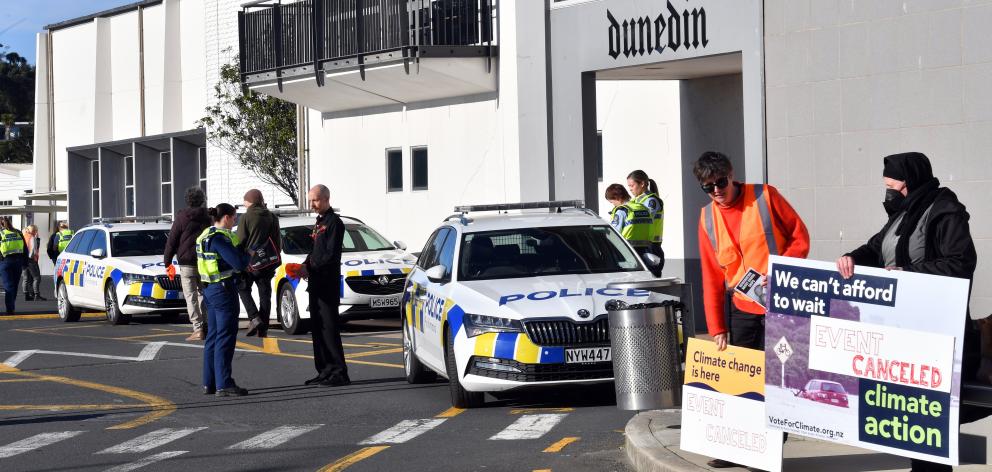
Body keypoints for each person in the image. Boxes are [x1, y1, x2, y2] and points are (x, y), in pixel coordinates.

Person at [836, 152, 982, 472]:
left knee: (930, 427)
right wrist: (851, 258)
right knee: (916, 426)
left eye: (894, 186)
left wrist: (909, 273)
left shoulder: (945, 211)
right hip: (908, 339)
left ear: (911, 182)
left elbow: (960, 262)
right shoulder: (902, 215)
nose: (890, 193)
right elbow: (877, 249)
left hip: (941, 340)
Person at [694, 151, 809, 468]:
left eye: (720, 182)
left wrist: (783, 273)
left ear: (731, 175)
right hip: (741, 308)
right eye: (708, 186)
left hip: (779, 304)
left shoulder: (764, 196)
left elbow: (800, 237)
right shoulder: (706, 218)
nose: (716, 190)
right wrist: (717, 327)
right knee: (739, 381)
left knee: (777, 379)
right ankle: (735, 448)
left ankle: (769, 449)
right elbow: (711, 276)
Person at [297, 184, 350, 387]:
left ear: (327, 199)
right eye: (311, 200)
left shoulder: (335, 223)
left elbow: (330, 255)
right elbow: (315, 252)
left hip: (327, 283)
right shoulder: (318, 222)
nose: (312, 204)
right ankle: (324, 370)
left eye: (315, 200)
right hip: (316, 283)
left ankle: (339, 371)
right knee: (317, 329)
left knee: (329, 329)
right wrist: (304, 266)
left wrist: (310, 268)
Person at [196, 203, 250, 397]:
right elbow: (238, 263)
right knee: (225, 338)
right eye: (234, 217)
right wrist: (248, 255)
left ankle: (209, 383)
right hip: (223, 290)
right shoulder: (219, 239)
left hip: (209, 289)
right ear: (226, 217)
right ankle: (224, 384)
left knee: (213, 336)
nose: (235, 221)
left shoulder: (205, 235)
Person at [164, 187, 211, 341]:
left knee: (190, 296)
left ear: (188, 200)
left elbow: (172, 241)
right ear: (202, 199)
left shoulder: (182, 217)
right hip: (204, 261)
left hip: (186, 262)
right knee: (203, 293)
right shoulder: (207, 217)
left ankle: (197, 328)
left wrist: (167, 261)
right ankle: (206, 324)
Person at [237, 189, 281, 338]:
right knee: (265, 294)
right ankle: (264, 329)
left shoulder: (246, 217)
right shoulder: (272, 217)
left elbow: (241, 240)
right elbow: (277, 241)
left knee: (243, 288)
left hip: (250, 263)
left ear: (249, 201)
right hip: (267, 262)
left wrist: (239, 259)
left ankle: (254, 318)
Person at [604, 183, 658, 275]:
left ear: (617, 198)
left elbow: (614, 233)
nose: (613, 205)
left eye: (612, 202)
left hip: (626, 252)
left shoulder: (622, 211)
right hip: (646, 251)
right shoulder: (642, 208)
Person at [627, 170, 665, 271]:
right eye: (629, 186)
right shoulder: (635, 201)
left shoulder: (651, 201)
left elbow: (643, 220)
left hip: (651, 247)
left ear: (642, 184)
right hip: (639, 247)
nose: (630, 189)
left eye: (632, 185)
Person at [0, 219, 26, 315]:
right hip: (18, 261)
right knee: (14, 286)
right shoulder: (18, 232)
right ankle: (11, 307)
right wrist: (25, 263)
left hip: (5, 261)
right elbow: (25, 248)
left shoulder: (1, 233)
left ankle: (10, 308)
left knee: (9, 286)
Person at [21, 225, 44, 301]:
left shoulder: (23, 237)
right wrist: (32, 258)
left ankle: (26, 294)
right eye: (36, 230)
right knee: (37, 277)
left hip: (23, 260)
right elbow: (34, 249)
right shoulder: (32, 237)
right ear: (34, 231)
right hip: (30, 260)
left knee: (26, 278)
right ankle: (36, 295)